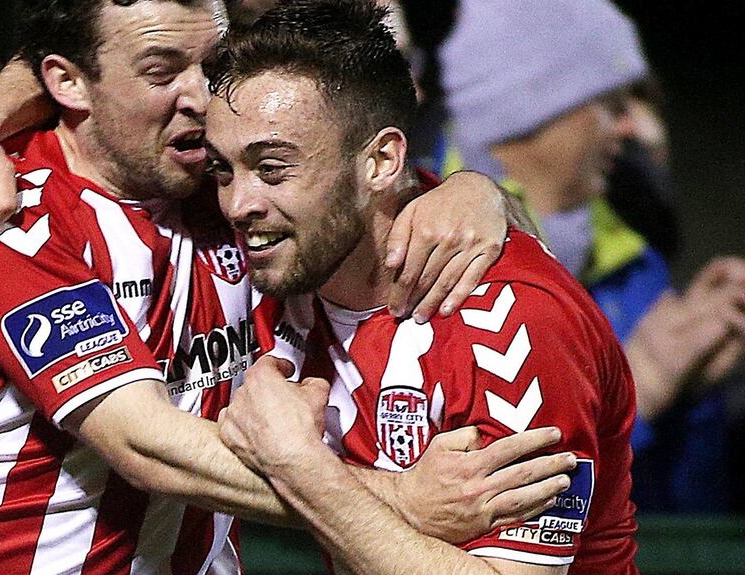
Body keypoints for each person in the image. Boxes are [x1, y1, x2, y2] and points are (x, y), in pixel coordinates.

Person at [0, 1, 576, 573]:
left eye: (210, 65)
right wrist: (395, 499)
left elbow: (362, 191)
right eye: (161, 71)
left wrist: (475, 190)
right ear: (66, 83)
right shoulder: (15, 212)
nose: (198, 97)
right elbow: (143, 442)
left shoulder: (226, 190)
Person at [206, 0, 637, 572]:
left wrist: (300, 468)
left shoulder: (511, 320)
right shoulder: (269, 266)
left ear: (381, 161)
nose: (238, 204)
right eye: (222, 169)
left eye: (273, 169)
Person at [438, 0, 745, 512]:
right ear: (536, 103)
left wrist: (694, 398)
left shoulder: (634, 266)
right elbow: (458, 496)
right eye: (611, 103)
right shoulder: (418, 249)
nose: (632, 128)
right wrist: (636, 388)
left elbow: (687, 520)